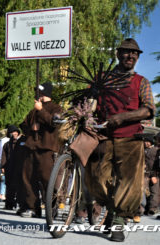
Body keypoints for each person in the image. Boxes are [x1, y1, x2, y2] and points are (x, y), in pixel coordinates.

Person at [85, 38, 155, 242]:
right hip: (103, 136)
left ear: (138, 57)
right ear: (117, 54)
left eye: (135, 54)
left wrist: (123, 117)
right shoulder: (102, 79)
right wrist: (86, 110)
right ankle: (111, 208)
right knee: (96, 178)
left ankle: (117, 221)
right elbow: (88, 101)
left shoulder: (141, 82)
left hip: (131, 138)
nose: (131, 56)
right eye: (126, 52)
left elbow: (150, 109)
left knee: (128, 182)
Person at [20, 82, 62, 218]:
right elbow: (23, 125)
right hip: (31, 148)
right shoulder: (34, 110)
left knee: (47, 180)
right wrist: (31, 127)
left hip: (46, 148)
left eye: (41, 93)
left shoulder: (56, 108)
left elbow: (54, 123)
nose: (38, 95)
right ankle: (32, 207)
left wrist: (41, 111)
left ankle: (52, 207)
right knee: (28, 178)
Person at [1, 125, 21, 210]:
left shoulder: (21, 143)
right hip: (9, 167)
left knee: (19, 187)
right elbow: (3, 156)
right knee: (9, 187)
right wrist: (2, 166)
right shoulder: (6, 145)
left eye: (16, 132)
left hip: (19, 168)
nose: (15, 134)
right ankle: (9, 204)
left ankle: (19, 204)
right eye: (13, 132)